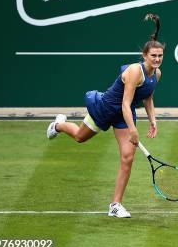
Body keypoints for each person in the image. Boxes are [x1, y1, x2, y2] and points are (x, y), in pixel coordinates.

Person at [47, 14, 164, 218]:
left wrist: (153, 120)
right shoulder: (135, 71)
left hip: (122, 118)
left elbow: (148, 98)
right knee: (79, 137)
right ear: (144, 55)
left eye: (160, 56)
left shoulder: (157, 74)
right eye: (153, 56)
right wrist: (134, 130)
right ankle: (58, 125)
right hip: (107, 108)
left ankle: (115, 205)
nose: (157, 59)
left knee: (127, 158)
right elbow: (126, 104)